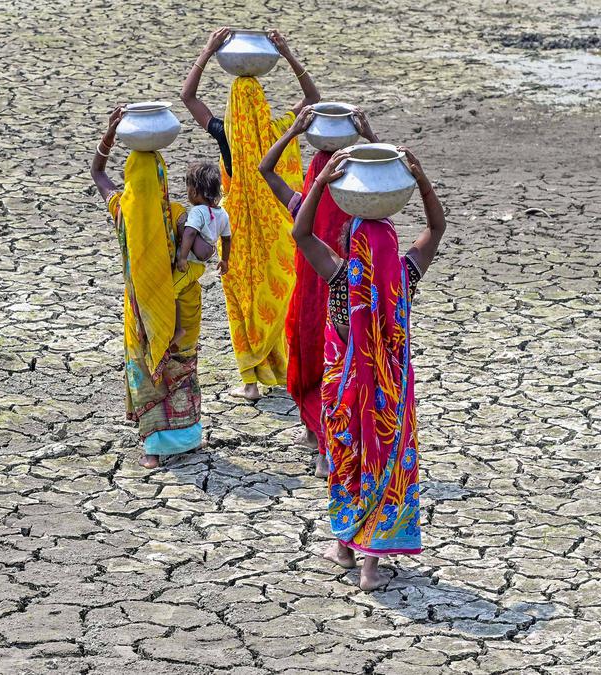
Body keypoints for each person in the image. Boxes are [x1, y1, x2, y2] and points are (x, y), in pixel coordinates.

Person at [291, 147, 446, 590]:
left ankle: (343, 546)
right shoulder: (404, 276)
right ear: (393, 245)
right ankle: (370, 568)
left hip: (344, 395)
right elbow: (437, 227)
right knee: (383, 464)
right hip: (388, 399)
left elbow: (301, 234)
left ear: (353, 244)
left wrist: (320, 184)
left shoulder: (341, 278)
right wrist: (419, 179)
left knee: (347, 463)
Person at [181, 27, 320, 401]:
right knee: (276, 293)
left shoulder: (225, 132)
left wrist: (208, 51)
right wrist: (288, 54)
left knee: (242, 298)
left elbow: (188, 96)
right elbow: (312, 97)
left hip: (235, 230)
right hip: (275, 227)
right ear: (262, 103)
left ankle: (250, 382)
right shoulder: (279, 130)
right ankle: (285, 368)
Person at [260, 106, 379, 478]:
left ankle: (320, 444)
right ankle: (329, 445)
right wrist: (371, 139)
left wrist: (294, 131)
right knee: (344, 375)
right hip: (349, 305)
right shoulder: (359, 214)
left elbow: (265, 169)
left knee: (313, 370)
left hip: (311, 305)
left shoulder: (302, 213)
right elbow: (389, 183)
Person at [91, 106, 203, 469]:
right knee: (180, 367)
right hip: (177, 306)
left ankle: (153, 451)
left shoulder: (122, 210)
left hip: (138, 309)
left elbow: (97, 172)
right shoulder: (176, 213)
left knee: (146, 371)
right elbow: (204, 252)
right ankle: (187, 437)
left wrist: (109, 135)